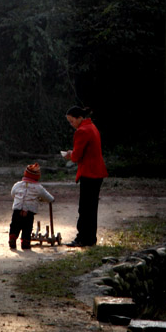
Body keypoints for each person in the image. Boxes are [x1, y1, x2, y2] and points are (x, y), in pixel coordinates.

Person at [63, 106, 108, 247]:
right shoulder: (92, 127)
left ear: (79, 118)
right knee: (91, 207)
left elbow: (76, 157)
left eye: (71, 121)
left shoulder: (81, 131)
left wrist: (69, 154)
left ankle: (82, 238)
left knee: (84, 208)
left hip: (89, 173)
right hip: (97, 172)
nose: (72, 124)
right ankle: (90, 238)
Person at [9, 163, 54, 250]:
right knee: (27, 227)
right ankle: (25, 242)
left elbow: (13, 194)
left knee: (14, 225)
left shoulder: (17, 185)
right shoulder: (38, 187)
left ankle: (12, 238)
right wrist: (51, 199)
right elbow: (48, 197)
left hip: (17, 209)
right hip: (29, 210)